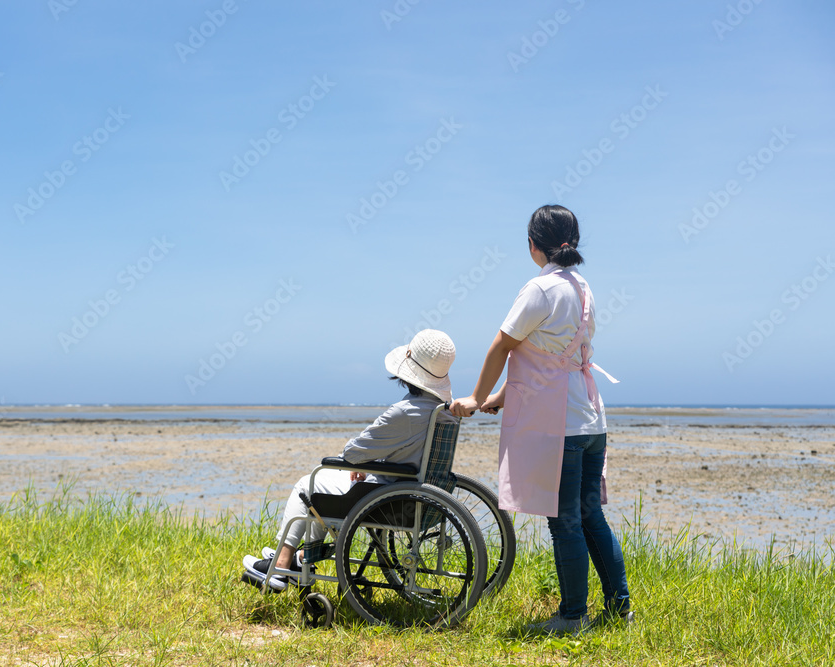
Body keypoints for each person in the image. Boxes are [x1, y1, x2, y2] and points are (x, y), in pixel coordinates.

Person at [450, 205, 631, 635]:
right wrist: (498, 399)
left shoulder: (540, 289)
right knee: (590, 518)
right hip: (591, 421)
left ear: (534, 244)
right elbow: (554, 362)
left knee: (564, 521)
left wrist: (475, 397)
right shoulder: (582, 287)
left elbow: (502, 347)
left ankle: (572, 617)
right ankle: (619, 607)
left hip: (560, 425)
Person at [241, 329, 458, 591]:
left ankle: (281, 564)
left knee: (308, 484)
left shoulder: (406, 411)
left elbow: (354, 452)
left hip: (390, 498)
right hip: (422, 495)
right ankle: (300, 559)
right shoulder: (445, 410)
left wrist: (360, 463)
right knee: (324, 489)